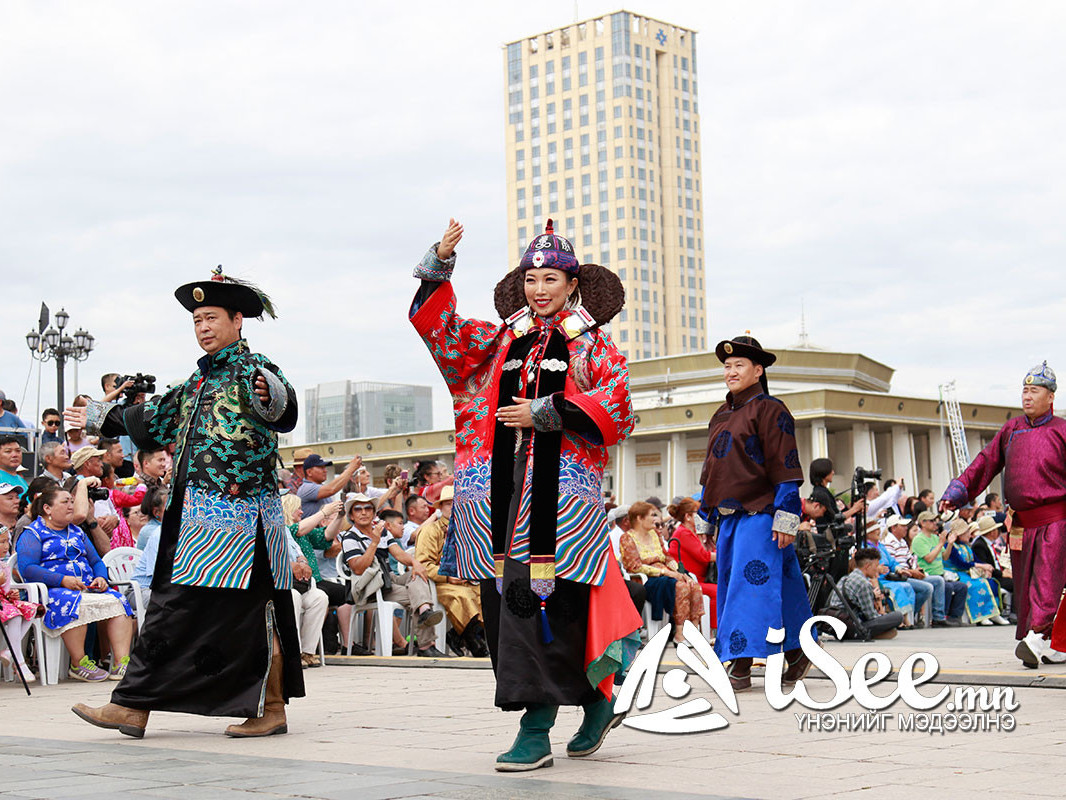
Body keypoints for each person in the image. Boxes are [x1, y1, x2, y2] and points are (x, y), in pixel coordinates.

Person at [410, 218, 641, 771]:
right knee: (506, 602)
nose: (539, 289)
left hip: (560, 498)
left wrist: (544, 412)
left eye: (551, 280)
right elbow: (439, 330)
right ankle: (596, 697)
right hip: (496, 493)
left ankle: (535, 726)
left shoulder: (593, 345)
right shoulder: (499, 341)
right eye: (531, 278)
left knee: (539, 601)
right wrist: (439, 264)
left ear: (572, 286)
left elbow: (619, 409)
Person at [66, 268, 303, 739]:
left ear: (238, 319)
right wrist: (97, 415)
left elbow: (284, 407)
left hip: (243, 522)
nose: (203, 327)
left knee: (247, 610)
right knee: (183, 609)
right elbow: (148, 419)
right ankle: (137, 707)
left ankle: (259, 707)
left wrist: (270, 398)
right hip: (194, 520)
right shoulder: (194, 383)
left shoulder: (256, 370)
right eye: (196, 320)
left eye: (211, 317)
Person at [698, 335, 814, 692]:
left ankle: (741, 662)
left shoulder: (771, 409)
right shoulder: (721, 413)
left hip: (761, 513)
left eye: (739, 366)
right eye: (727, 367)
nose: (731, 372)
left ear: (758, 370)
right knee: (782, 585)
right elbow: (712, 469)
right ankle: (800, 652)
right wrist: (706, 513)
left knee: (747, 587)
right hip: (729, 516)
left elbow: (787, 466)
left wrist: (786, 517)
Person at [940, 362, 1066, 666]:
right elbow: (984, 464)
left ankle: (1037, 637)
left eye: (1034, 390)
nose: (1027, 396)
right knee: (1025, 585)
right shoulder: (1011, 429)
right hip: (1020, 523)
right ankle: (1050, 645)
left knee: (1047, 581)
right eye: (1024, 390)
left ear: (1050, 397)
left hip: (1056, 521)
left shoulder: (1062, 430)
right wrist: (954, 494)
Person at [16, 484, 135, 681]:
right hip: (53, 591)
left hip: (87, 586)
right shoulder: (33, 533)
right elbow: (27, 568)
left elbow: (96, 561)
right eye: (65, 502)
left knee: (119, 601)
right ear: (47, 508)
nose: (71, 506)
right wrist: (62, 580)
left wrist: (100, 578)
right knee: (73, 601)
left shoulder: (77, 532)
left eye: (72, 501)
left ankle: (121, 663)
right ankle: (78, 662)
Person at [340, 493, 445, 656]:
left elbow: (399, 554)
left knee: (416, 577)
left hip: (388, 580)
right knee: (418, 595)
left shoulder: (381, 532)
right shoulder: (349, 537)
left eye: (368, 508)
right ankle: (426, 646)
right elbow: (358, 569)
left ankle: (425, 612)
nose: (363, 512)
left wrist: (415, 563)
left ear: (374, 513)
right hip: (370, 587)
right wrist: (374, 542)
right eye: (358, 509)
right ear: (352, 516)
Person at [415, 485, 489, 657]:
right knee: (463, 597)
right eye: (449, 504)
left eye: (458, 504)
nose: (454, 507)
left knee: (488, 595)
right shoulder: (430, 530)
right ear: (440, 507)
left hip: (468, 581)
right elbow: (422, 564)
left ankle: (457, 636)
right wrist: (448, 577)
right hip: (440, 582)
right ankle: (475, 643)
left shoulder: (471, 530)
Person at [620, 502, 704, 642]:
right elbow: (633, 566)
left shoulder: (654, 534)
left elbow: (667, 556)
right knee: (680, 587)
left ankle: (694, 629)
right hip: (646, 578)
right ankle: (679, 632)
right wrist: (666, 573)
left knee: (692, 584)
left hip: (666, 572)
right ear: (640, 518)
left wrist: (679, 572)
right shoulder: (627, 538)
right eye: (651, 515)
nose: (655, 519)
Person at [0, 488, 43, 682]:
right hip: (3, 606)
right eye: (0, 543)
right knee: (15, 615)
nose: (4, 547)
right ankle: (19, 662)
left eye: (5, 542)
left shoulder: (4, 565)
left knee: (33, 609)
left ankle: (10, 651)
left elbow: (7, 589)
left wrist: (12, 594)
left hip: (5, 602)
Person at [828, 548, 904, 638]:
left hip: (840, 622)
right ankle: (863, 635)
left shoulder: (846, 578)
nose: (877, 569)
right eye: (876, 565)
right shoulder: (864, 584)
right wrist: (882, 613)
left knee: (890, 629)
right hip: (851, 626)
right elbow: (871, 616)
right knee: (897, 616)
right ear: (868, 566)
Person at [664, 497, 716, 628]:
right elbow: (704, 556)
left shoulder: (690, 532)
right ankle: (711, 629)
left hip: (699, 578)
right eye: (698, 514)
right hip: (690, 579)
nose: (702, 517)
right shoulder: (683, 533)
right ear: (688, 516)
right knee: (717, 591)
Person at [945, 519, 1009, 625]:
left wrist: (986, 567)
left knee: (990, 582)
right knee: (976, 585)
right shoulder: (951, 546)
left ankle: (993, 613)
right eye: (966, 532)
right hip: (957, 574)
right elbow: (960, 564)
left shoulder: (966, 546)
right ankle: (980, 615)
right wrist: (980, 565)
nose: (969, 535)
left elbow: (975, 559)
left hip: (967, 573)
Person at [910, 511, 968, 626]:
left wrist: (950, 544)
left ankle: (955, 617)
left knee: (961, 587)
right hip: (928, 575)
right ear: (923, 523)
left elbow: (945, 557)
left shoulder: (935, 538)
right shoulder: (919, 539)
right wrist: (941, 544)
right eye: (931, 521)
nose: (935, 523)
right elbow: (929, 558)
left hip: (940, 574)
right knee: (945, 585)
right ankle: (939, 616)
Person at [971, 514, 1015, 620]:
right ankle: (1013, 613)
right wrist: (1002, 573)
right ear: (992, 532)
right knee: (1016, 584)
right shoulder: (979, 545)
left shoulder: (988, 543)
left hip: (997, 573)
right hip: (990, 576)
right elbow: (986, 566)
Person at [130, 488, 167, 608]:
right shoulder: (157, 533)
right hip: (141, 590)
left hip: (159, 589)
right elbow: (158, 577)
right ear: (157, 512)